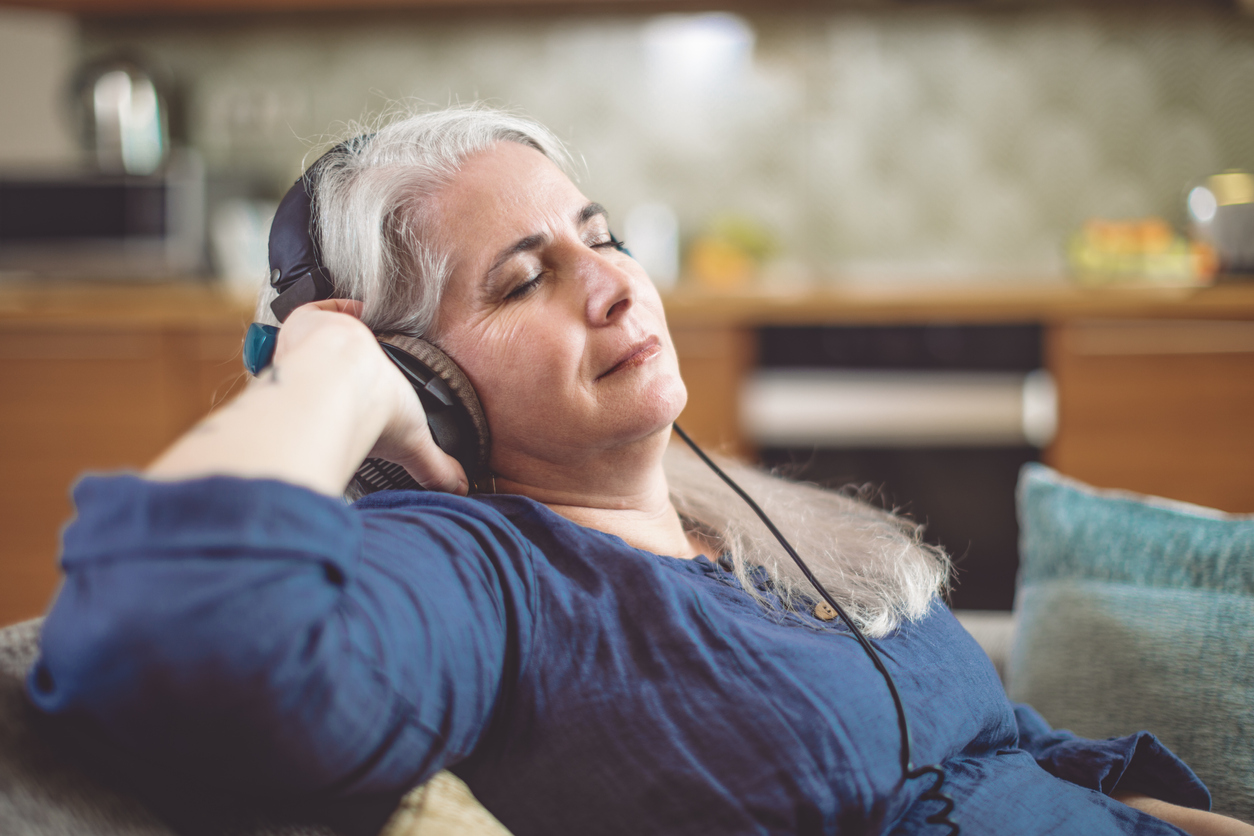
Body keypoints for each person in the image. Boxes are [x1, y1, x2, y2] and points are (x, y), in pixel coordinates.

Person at [26, 105, 1254, 836]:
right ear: (423, 377)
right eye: (523, 278)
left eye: (599, 237)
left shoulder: (749, 515)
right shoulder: (489, 578)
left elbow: (1012, 746)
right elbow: (164, 631)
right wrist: (327, 372)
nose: (613, 282)